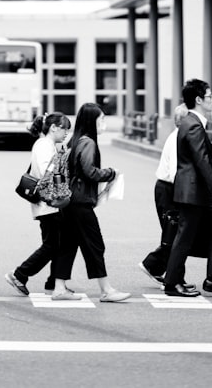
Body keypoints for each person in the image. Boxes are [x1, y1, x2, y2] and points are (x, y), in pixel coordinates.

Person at [163, 79, 212, 298]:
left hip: (197, 192)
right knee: (185, 237)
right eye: (208, 96)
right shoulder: (193, 124)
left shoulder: (191, 122)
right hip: (193, 191)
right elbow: (201, 161)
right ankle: (172, 283)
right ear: (198, 100)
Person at [49, 103, 130, 303]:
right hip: (80, 203)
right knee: (95, 245)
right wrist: (111, 173)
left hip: (69, 201)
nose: (104, 123)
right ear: (91, 121)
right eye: (101, 119)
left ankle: (59, 288)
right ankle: (106, 290)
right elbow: (89, 171)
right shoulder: (88, 143)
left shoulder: (75, 142)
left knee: (68, 244)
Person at [4, 112, 72, 296]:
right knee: (52, 245)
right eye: (65, 128)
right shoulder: (44, 145)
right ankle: (19, 274)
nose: (67, 132)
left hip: (49, 204)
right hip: (48, 203)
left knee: (55, 244)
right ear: (53, 127)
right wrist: (63, 184)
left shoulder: (48, 145)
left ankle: (54, 283)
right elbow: (46, 173)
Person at [139, 104, 189, 285]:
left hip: (168, 188)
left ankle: (161, 270)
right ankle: (161, 270)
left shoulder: (178, 136)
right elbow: (177, 171)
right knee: (175, 234)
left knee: (175, 234)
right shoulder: (178, 138)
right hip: (169, 189)